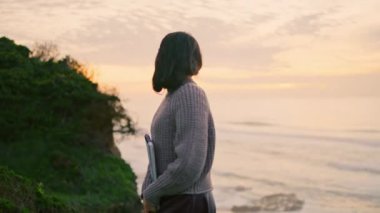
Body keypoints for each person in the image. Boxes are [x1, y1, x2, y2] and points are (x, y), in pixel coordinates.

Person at [141, 32, 216, 213]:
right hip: (176, 199)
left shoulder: (189, 94)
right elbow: (160, 156)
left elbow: (188, 166)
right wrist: (147, 192)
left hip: (187, 202)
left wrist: (151, 193)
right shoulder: (174, 95)